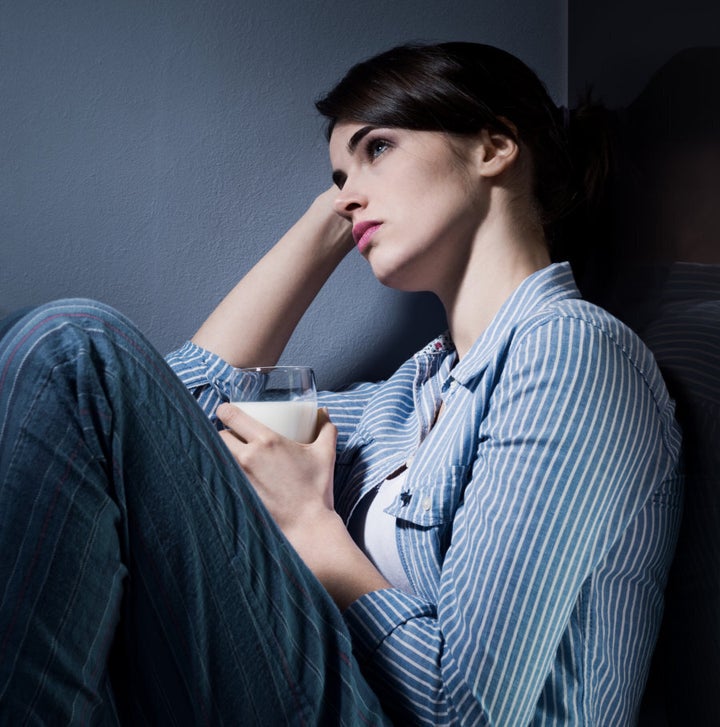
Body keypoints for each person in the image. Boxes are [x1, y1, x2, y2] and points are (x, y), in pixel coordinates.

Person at [0, 42, 682, 725]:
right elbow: (149, 418)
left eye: (378, 147)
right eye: (336, 176)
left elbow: (465, 708)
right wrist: (335, 215)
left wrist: (310, 523)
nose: (349, 193)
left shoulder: (574, 351)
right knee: (69, 359)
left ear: (495, 146)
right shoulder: (404, 398)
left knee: (73, 342)